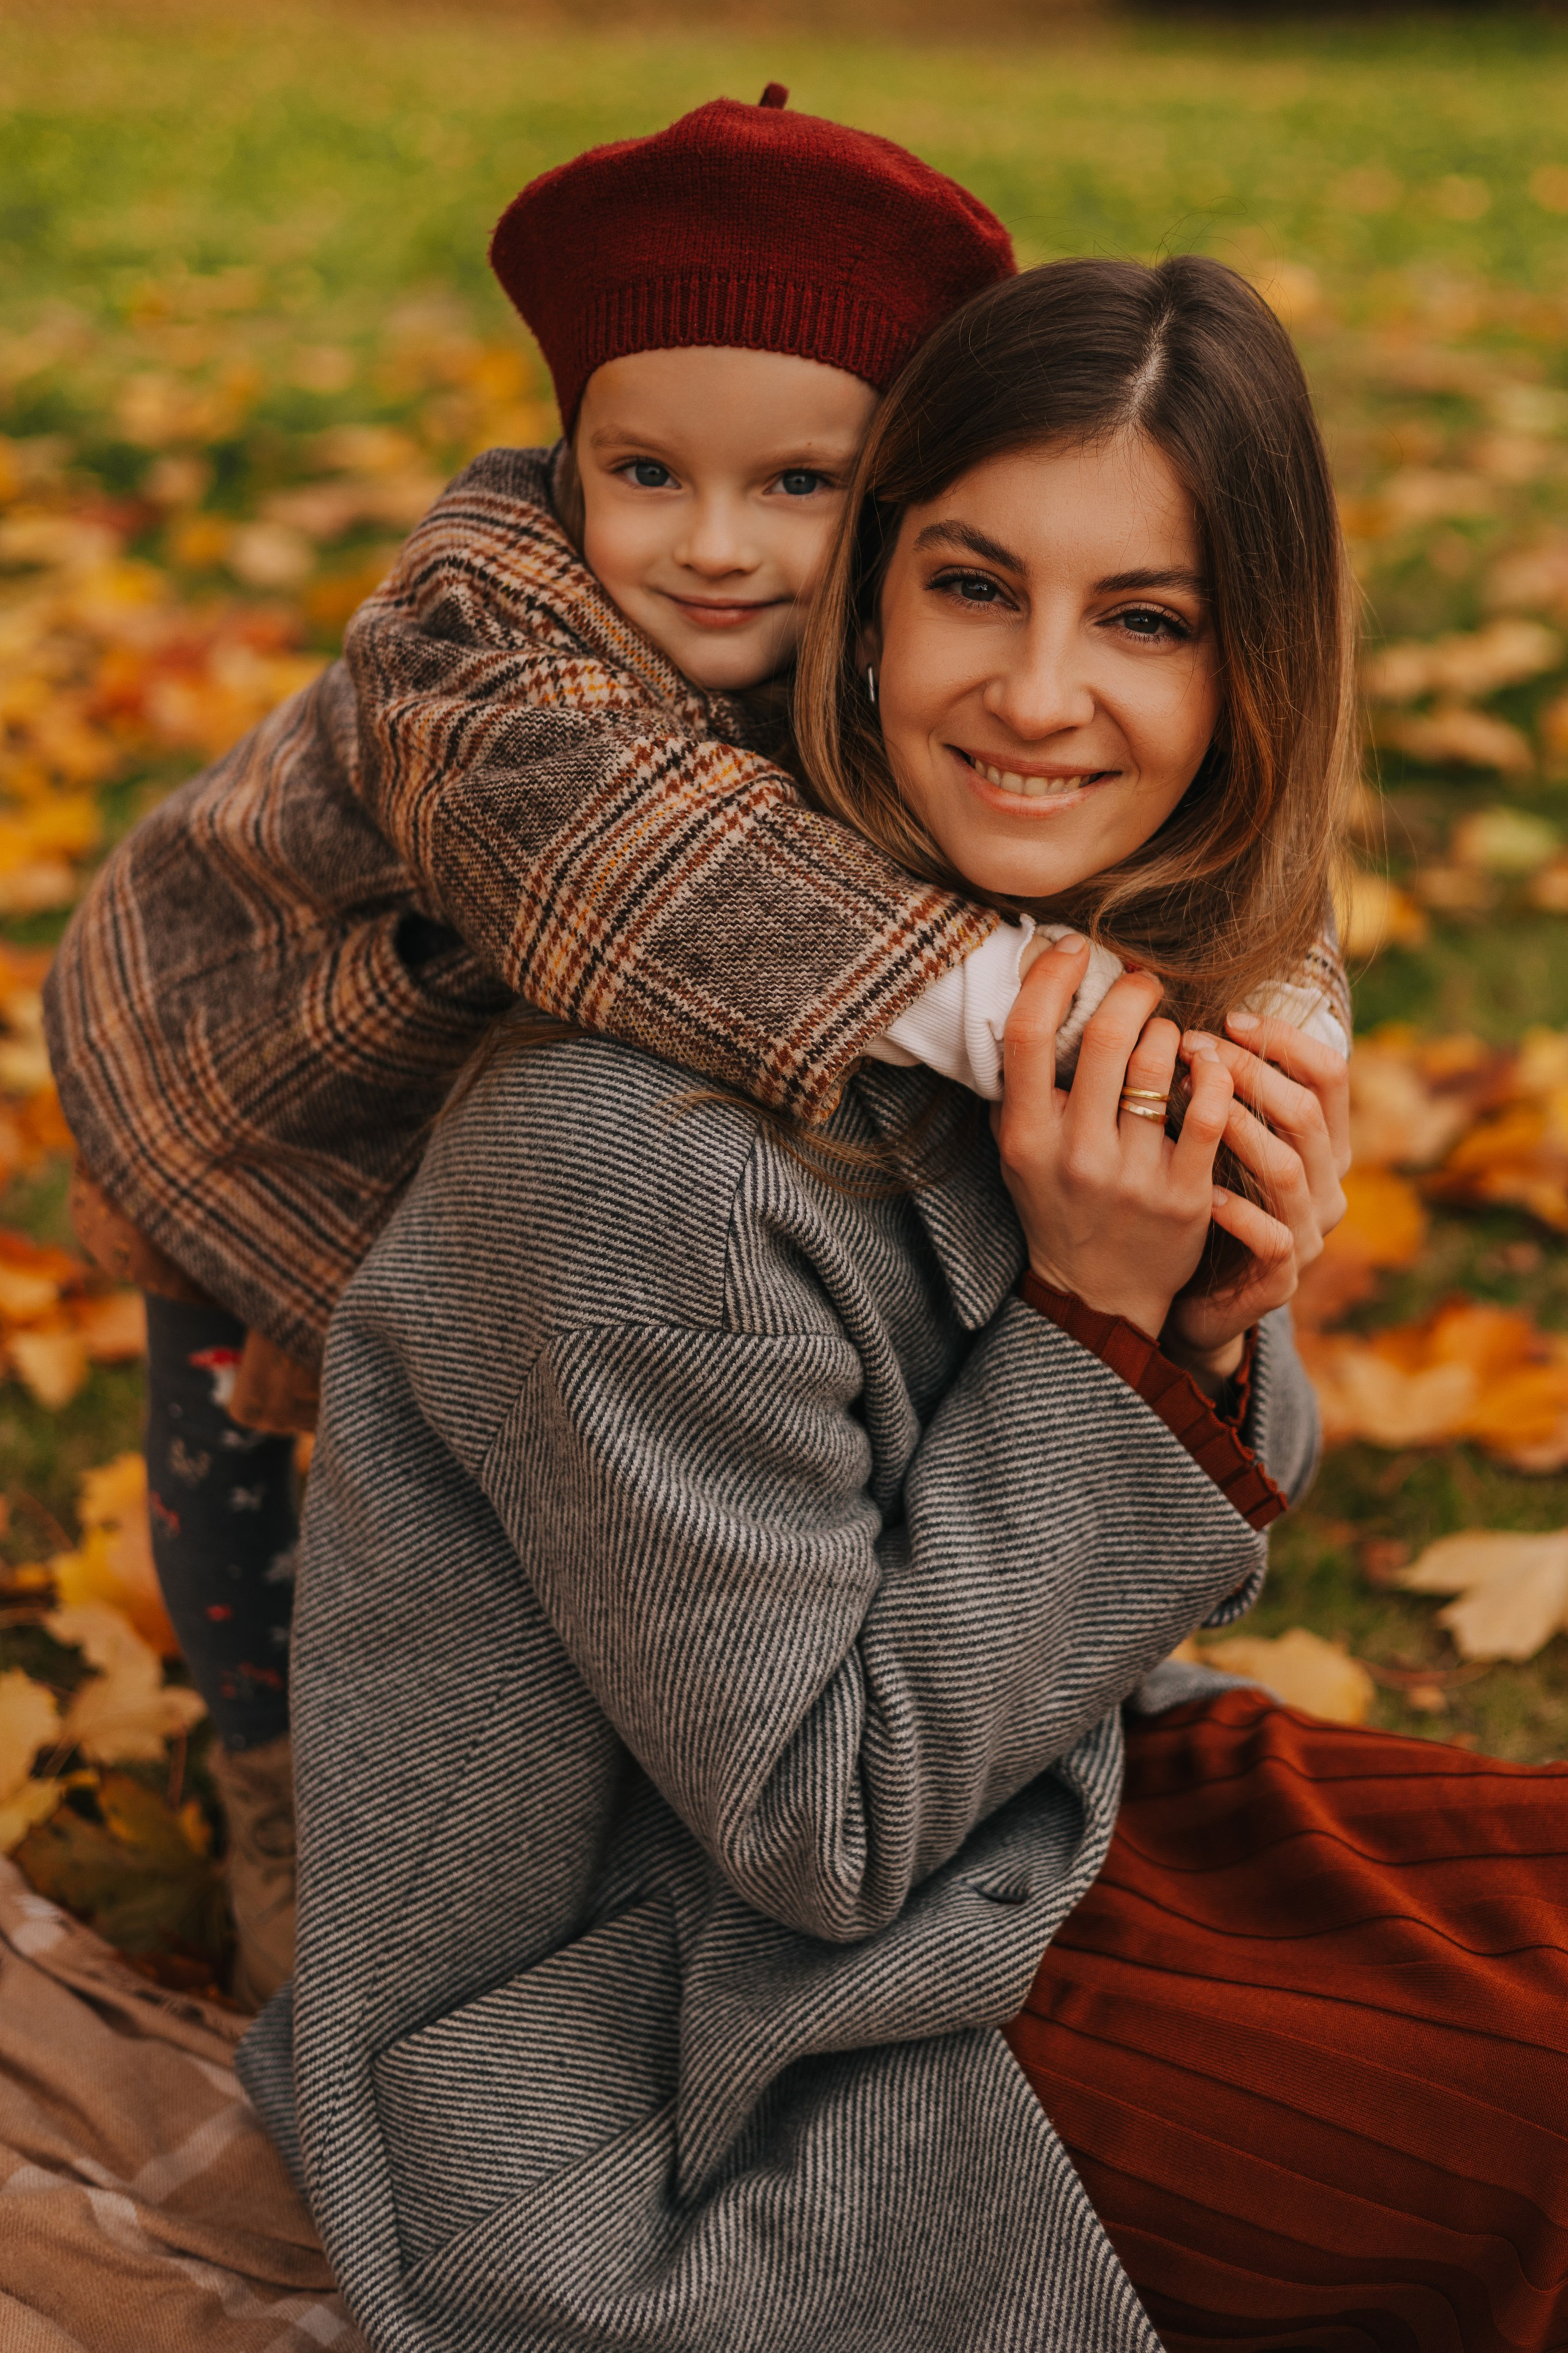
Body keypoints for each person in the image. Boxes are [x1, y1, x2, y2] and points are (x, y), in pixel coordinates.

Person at [241, 256, 1568, 2351]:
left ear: (1251, 676)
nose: (1042, 696)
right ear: (862, 611)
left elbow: (1178, 1575)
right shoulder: (626, 1150)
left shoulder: (1032, 965)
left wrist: (1217, 1319)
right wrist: (1099, 1327)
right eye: (974, 586)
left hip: (1056, 1819)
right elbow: (822, 1833)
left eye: (1145, 618)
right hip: (691, 2050)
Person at [44, 95, 1348, 2007]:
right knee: (268, 1445)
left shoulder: (916, 683)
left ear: (889, 482)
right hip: (268, 1077)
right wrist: (1034, 1014)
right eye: (642, 472)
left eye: (800, 489)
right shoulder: (486, 648)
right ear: (566, 452)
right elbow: (641, 867)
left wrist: (1268, 1018)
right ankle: (277, 1781)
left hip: (540, 1136)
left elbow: (1235, 852)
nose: (717, 549)